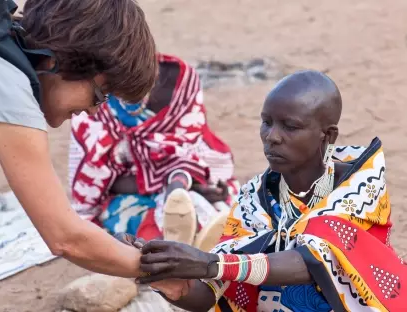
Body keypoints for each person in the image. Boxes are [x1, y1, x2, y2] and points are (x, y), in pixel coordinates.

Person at [124, 70, 407, 311]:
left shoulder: (361, 187)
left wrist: (211, 263)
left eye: (290, 126)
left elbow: (313, 261)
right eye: (267, 122)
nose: (272, 137)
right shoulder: (255, 198)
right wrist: (172, 283)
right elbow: (213, 290)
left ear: (328, 135)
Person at [0, 0, 158, 278]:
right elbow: (66, 237)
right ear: (59, 60)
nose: (92, 110)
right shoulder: (5, 86)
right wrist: (170, 274)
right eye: (100, 95)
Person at [69, 53, 240, 249]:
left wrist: (182, 185)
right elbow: (95, 181)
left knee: (214, 209)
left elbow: (190, 149)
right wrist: (163, 185)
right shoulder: (94, 95)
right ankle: (179, 250)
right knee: (147, 227)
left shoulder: (181, 82)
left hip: (186, 178)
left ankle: (204, 247)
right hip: (128, 191)